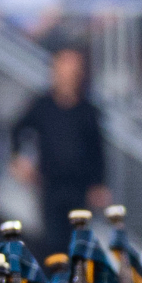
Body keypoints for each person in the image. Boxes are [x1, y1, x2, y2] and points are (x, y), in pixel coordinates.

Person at [17, 42, 111, 236]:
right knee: (52, 241)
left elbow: (97, 150)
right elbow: (18, 129)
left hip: (80, 188)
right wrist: (20, 159)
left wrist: (99, 183)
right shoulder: (42, 105)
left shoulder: (88, 110)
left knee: (79, 242)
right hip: (50, 186)